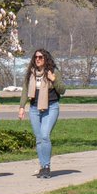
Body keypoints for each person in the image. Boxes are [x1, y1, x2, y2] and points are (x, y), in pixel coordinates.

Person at [18, 49, 65, 178]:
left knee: (45, 136)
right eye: (36, 57)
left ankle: (46, 167)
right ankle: (42, 165)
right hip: (34, 108)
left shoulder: (53, 72)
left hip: (51, 107)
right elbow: (25, 90)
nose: (37, 59)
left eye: (40, 57)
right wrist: (22, 107)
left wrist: (54, 80)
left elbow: (62, 90)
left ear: (46, 59)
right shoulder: (31, 74)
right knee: (39, 139)